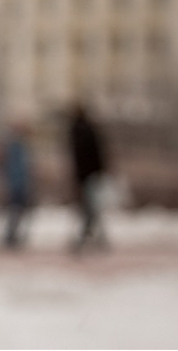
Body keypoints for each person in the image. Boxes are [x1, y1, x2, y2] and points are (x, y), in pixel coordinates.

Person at [67, 102, 109, 252]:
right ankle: (92, 237)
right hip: (90, 175)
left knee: (90, 208)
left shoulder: (77, 131)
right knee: (91, 208)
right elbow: (97, 154)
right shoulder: (88, 130)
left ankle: (88, 236)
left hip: (84, 175)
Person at [0, 121, 34, 250]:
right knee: (13, 211)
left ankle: (12, 235)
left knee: (17, 211)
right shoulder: (13, 146)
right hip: (14, 183)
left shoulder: (22, 146)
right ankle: (10, 235)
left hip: (19, 183)